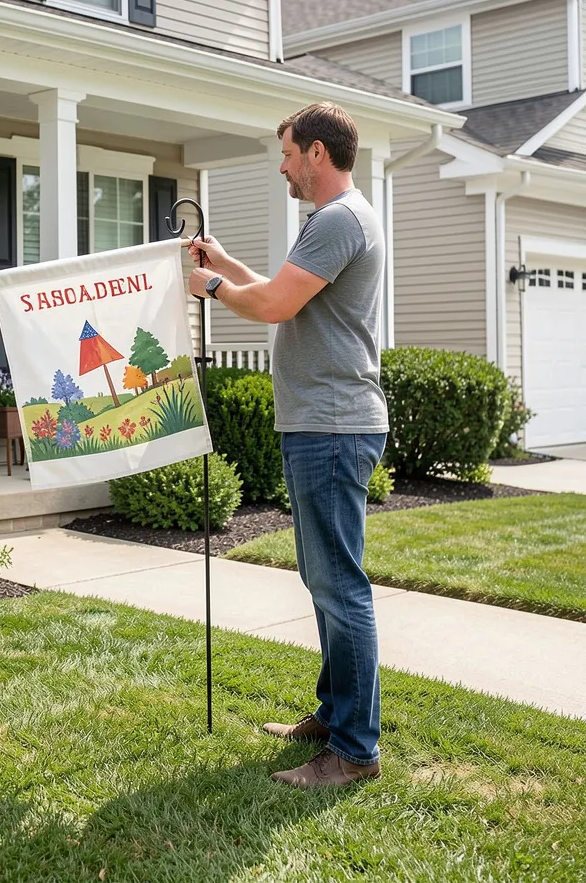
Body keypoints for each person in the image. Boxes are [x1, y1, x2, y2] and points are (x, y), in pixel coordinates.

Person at [188, 101, 389, 789]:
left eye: (286, 153)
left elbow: (271, 306)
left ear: (317, 154)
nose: (281, 167)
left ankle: (355, 752)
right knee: (326, 580)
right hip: (323, 422)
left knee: (340, 586)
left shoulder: (339, 220)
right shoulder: (338, 221)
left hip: (332, 424)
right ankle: (336, 717)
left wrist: (210, 285)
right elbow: (282, 291)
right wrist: (225, 262)